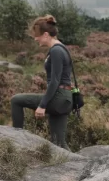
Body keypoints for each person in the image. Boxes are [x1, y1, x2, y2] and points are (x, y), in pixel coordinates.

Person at [11, 14, 73, 151]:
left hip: (59, 97)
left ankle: (16, 140)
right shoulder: (62, 48)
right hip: (66, 99)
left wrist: (42, 105)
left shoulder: (56, 51)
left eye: (37, 35)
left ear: (45, 34)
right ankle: (80, 167)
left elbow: (55, 81)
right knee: (59, 144)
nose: (35, 38)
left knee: (16, 100)